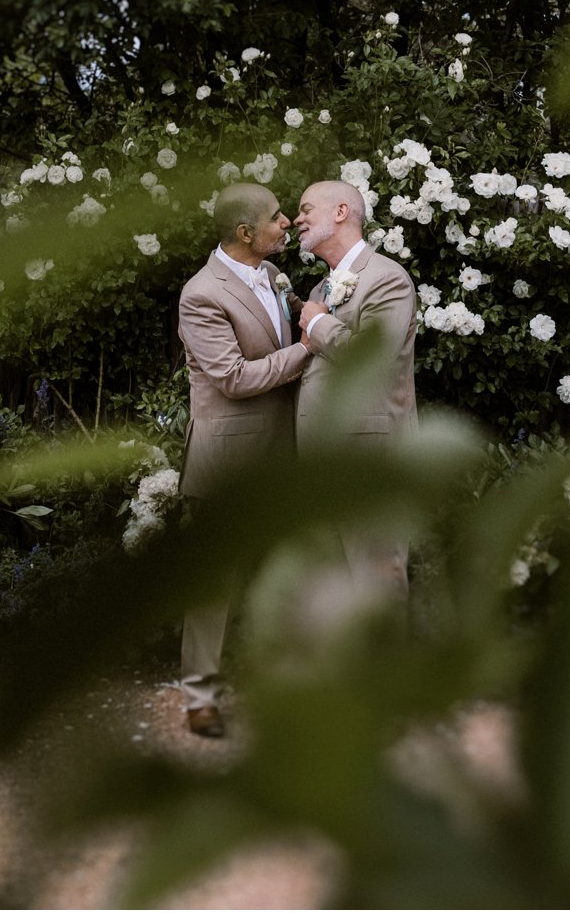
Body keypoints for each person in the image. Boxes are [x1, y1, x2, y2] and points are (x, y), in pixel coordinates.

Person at [174, 182, 308, 738]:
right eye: (277, 217)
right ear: (245, 232)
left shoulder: (276, 277)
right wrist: (311, 348)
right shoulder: (201, 295)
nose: (287, 223)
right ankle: (199, 696)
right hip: (229, 458)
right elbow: (231, 377)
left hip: (287, 451)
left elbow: (299, 315)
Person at [293, 179, 419, 600]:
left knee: (375, 574)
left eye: (307, 209)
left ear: (341, 212)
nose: (298, 219)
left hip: (369, 456)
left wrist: (316, 323)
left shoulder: (387, 279)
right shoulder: (319, 289)